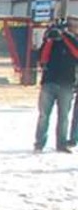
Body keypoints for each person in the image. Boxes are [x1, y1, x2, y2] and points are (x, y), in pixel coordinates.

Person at [36, 16, 78, 153]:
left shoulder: (73, 40)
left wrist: (64, 35)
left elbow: (76, 52)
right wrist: (49, 38)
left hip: (66, 83)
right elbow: (42, 58)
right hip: (49, 82)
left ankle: (61, 144)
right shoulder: (52, 40)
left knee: (63, 116)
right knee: (44, 115)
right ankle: (39, 143)